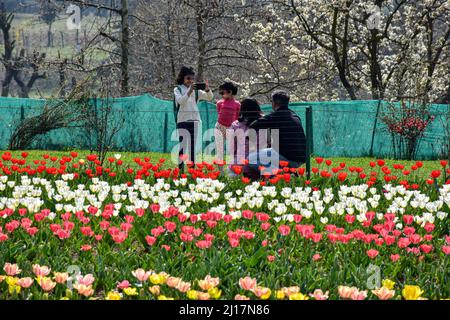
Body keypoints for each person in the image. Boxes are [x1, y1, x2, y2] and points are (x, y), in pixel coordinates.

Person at [246, 90, 306, 179]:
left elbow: (254, 125)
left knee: (250, 159)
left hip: (286, 157)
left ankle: (278, 175)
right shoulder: (295, 115)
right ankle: (288, 172)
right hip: (301, 158)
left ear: (274, 103)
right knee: (269, 152)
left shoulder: (276, 115)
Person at [173, 66, 213, 170]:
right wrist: (189, 91)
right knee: (182, 146)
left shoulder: (197, 91)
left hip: (195, 121)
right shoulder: (177, 89)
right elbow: (181, 101)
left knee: (192, 148)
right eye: (188, 78)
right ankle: (181, 169)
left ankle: (192, 171)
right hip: (182, 120)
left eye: (192, 78)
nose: (190, 81)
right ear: (182, 78)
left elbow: (209, 97)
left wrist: (208, 89)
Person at [228, 98, 263, 176]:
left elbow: (232, 148)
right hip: (259, 164)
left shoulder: (235, 125)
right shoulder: (264, 123)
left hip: (239, 165)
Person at [214, 82, 240, 163]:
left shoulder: (237, 104)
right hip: (219, 126)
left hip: (231, 128)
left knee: (232, 149)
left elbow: (237, 116)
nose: (222, 94)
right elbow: (219, 112)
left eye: (223, 92)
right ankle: (220, 171)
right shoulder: (219, 103)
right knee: (219, 149)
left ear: (230, 92)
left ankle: (232, 168)